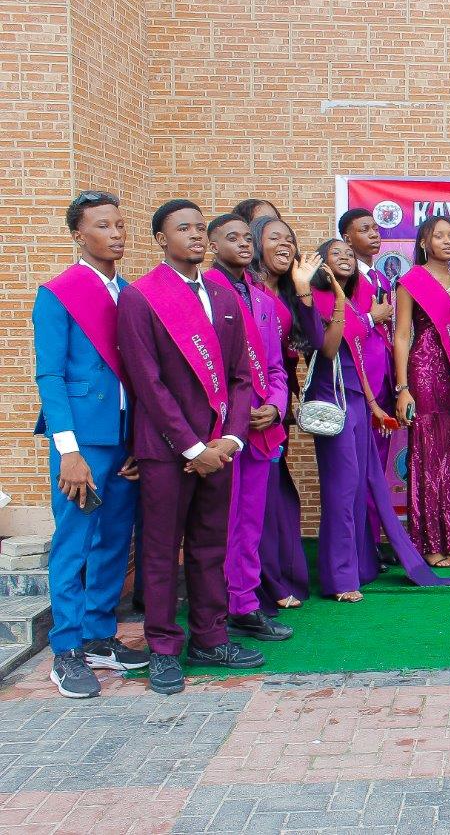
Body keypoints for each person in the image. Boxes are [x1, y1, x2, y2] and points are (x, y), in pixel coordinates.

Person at [117, 199, 259, 695]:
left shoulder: (223, 295)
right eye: (184, 229)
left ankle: (210, 637)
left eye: (201, 227)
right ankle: (162, 647)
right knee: (160, 551)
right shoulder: (141, 297)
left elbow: (241, 376)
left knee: (209, 547)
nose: (196, 235)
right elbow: (147, 381)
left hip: (219, 448)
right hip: (167, 449)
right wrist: (191, 448)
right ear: (161, 239)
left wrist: (231, 438)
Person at [293, 240, 450, 599]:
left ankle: (361, 567)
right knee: (341, 491)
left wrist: (373, 405)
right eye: (336, 253)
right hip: (333, 402)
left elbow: (358, 360)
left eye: (348, 255)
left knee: (365, 486)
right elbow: (329, 348)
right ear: (322, 264)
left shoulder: (353, 301)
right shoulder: (316, 298)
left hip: (358, 404)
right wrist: (337, 298)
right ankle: (340, 580)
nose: (345, 258)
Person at [35, 191, 147, 698]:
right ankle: (66, 649)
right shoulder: (58, 292)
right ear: (79, 235)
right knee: (74, 541)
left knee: (115, 540)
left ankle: (100, 636)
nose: (116, 233)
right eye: (103, 225)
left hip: (124, 437)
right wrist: (69, 450)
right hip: (81, 442)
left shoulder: (129, 292)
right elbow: (50, 375)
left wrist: (139, 439)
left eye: (120, 224)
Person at [202, 215, 293, 642]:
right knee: (217, 524)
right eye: (232, 237)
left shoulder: (262, 300)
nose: (242, 244)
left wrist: (275, 406)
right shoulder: (202, 291)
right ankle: (212, 609)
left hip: (259, 429)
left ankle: (244, 603)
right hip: (217, 430)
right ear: (212, 244)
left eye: (246, 238)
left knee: (250, 523)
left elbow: (275, 368)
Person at [393, 216, 450, 567]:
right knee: (428, 454)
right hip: (424, 371)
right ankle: (429, 542)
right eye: (438, 236)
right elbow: (401, 336)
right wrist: (402, 388)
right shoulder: (411, 281)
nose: (447, 241)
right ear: (424, 243)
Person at [248, 215, 309, 610]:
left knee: (275, 495)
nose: (286, 244)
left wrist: (303, 290)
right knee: (257, 500)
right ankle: (259, 585)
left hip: (277, 401)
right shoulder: (244, 289)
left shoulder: (287, 292)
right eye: (275, 238)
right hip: (247, 407)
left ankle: (275, 577)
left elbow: (312, 341)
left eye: (290, 239)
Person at [338, 208, 396, 566]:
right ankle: (357, 547)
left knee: (377, 467)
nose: (374, 234)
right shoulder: (341, 278)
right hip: (359, 385)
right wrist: (371, 318)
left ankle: (371, 542)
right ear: (347, 238)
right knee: (356, 470)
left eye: (376, 228)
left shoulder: (380, 277)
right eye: (365, 229)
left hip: (384, 380)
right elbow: (338, 327)